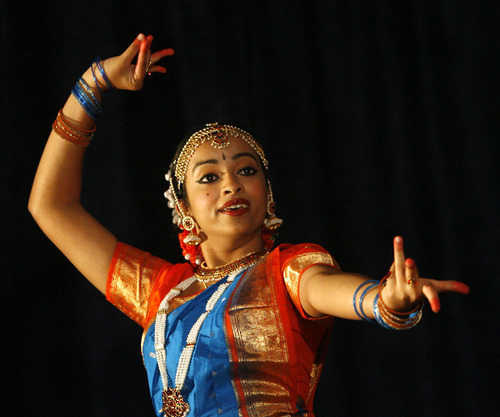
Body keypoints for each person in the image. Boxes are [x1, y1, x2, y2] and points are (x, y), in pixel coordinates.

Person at [28, 34, 470, 417]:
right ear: (183, 208)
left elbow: (329, 289)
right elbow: (52, 207)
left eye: (246, 171)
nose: (230, 186)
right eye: (209, 178)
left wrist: (384, 301)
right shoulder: (161, 291)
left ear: (268, 194)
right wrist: (92, 86)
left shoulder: (289, 268)